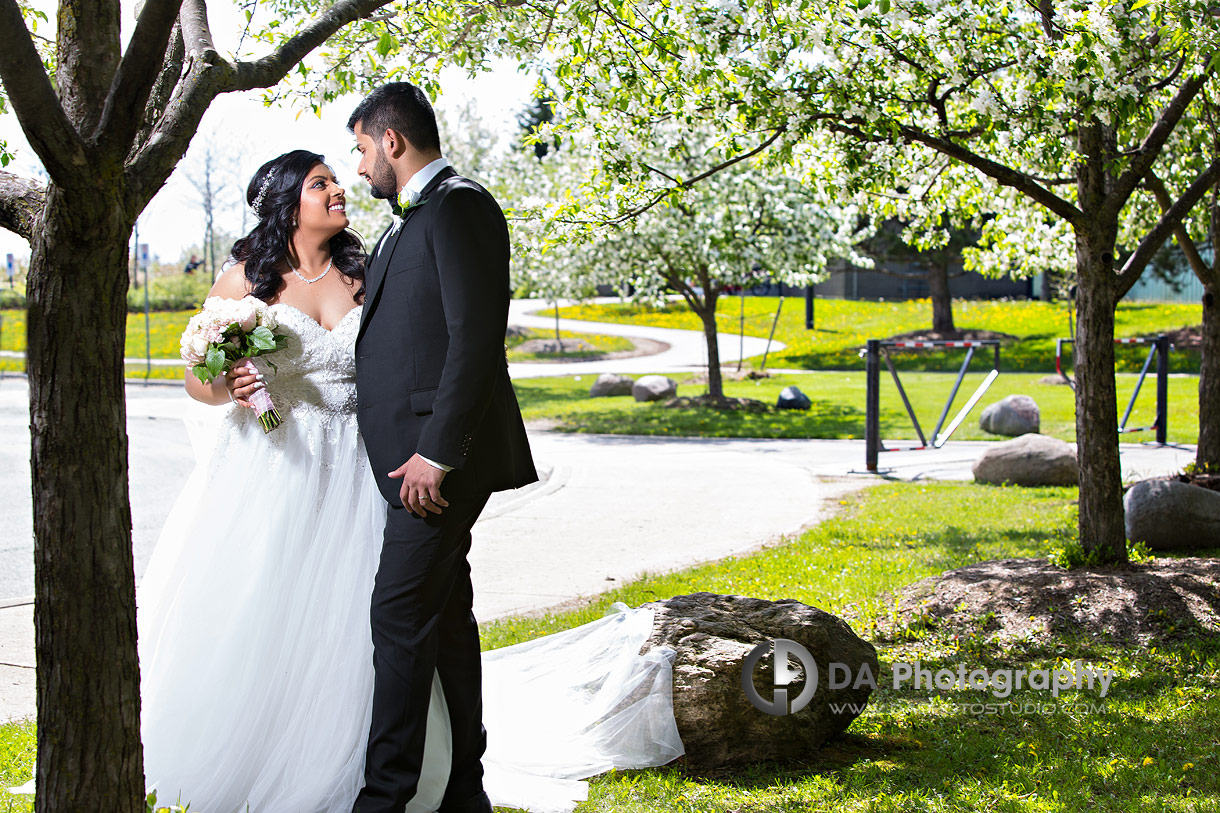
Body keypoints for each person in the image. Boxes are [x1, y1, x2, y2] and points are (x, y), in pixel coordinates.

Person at [133, 141, 682, 813]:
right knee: (272, 611)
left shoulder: (367, 268)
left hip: (365, 469)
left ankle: (395, 764)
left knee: (379, 616)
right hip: (277, 468)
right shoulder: (246, 278)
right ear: (286, 202)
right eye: (319, 183)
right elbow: (200, 381)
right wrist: (232, 381)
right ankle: (270, 749)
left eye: (339, 176)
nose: (338, 188)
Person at [346, 81, 538, 813]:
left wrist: (438, 451)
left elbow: (475, 340)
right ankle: (463, 791)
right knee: (444, 619)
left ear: (392, 140)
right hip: (417, 462)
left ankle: (385, 798)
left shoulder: (460, 205)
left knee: (396, 615)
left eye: (363, 149)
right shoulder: (408, 220)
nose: (361, 167)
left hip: (437, 465)